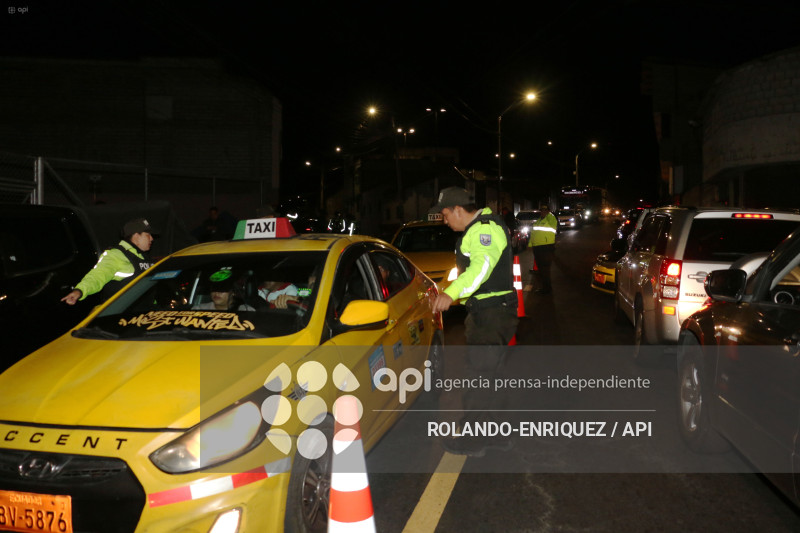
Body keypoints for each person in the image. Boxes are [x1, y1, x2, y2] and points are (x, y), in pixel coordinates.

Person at [429, 186, 519, 456]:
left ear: (458, 209)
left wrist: (451, 293)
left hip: (491, 314)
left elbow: (480, 269)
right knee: (491, 376)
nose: (445, 220)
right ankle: (497, 436)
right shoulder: (482, 228)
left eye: (445, 214)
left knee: (479, 378)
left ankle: (474, 440)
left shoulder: (483, 230)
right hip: (493, 311)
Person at [61, 218, 157, 305]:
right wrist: (80, 291)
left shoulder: (145, 258)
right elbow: (98, 276)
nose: (152, 238)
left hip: (145, 316)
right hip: (121, 317)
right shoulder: (115, 255)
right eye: (148, 235)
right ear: (136, 236)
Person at [528, 204, 557, 294]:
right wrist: (530, 245)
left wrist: (549, 213)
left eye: (545, 210)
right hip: (537, 248)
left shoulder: (551, 219)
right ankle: (545, 287)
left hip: (546, 247)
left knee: (545, 269)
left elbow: (551, 219)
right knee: (541, 269)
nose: (543, 212)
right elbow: (533, 234)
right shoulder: (538, 221)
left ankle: (547, 289)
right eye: (541, 210)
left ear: (548, 211)